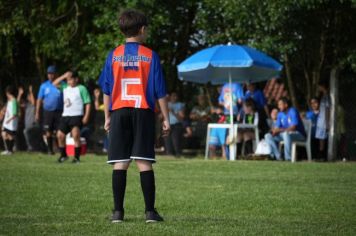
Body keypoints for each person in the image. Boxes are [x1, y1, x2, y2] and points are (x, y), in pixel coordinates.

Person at [98, 9, 170, 223]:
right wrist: (166, 118)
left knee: (120, 162)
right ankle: (150, 212)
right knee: (144, 162)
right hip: (143, 112)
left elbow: (106, 89)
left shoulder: (113, 55)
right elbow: (160, 91)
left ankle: (118, 213)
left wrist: (107, 117)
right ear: (142, 29)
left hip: (119, 111)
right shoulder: (150, 55)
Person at [52, 70, 91, 163]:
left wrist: (86, 116)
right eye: (68, 80)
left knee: (76, 135)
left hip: (76, 115)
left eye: (71, 79)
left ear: (76, 79)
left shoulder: (81, 88)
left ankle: (76, 158)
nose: (69, 81)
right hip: (65, 116)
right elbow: (54, 84)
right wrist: (64, 75)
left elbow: (88, 103)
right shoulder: (65, 87)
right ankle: (63, 155)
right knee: (60, 135)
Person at [36, 65, 63, 154]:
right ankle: (50, 150)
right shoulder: (44, 86)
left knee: (59, 131)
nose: (51, 75)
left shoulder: (62, 84)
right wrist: (37, 113)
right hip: (48, 112)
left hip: (59, 111)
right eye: (49, 74)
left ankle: (60, 149)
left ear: (56, 74)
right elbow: (39, 99)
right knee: (48, 131)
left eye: (52, 73)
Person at [164, 91, 185, 156]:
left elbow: (181, 117)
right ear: (170, 97)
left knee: (176, 141)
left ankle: (178, 154)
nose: (175, 97)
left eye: (176, 96)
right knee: (167, 141)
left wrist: (172, 112)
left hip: (177, 125)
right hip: (167, 124)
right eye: (173, 96)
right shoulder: (166, 104)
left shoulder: (180, 105)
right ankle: (169, 154)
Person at [17, 85, 37, 151]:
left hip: (33, 124)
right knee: (27, 134)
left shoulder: (35, 104)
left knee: (26, 132)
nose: (28, 97)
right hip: (27, 124)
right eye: (28, 96)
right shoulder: (27, 104)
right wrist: (20, 94)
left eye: (29, 96)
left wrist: (31, 92)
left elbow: (33, 102)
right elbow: (17, 104)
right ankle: (31, 148)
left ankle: (31, 148)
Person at [1, 86, 18, 155]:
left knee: (10, 136)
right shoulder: (9, 100)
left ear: (8, 93)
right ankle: (8, 150)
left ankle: (10, 151)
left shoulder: (14, 101)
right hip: (7, 121)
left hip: (11, 122)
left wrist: (9, 120)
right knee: (4, 134)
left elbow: (15, 114)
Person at [316, 81, 330, 160]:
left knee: (322, 139)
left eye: (319, 86)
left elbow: (328, 110)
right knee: (320, 139)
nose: (318, 88)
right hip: (321, 121)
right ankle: (321, 155)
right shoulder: (323, 97)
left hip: (324, 121)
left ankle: (322, 156)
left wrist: (327, 123)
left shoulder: (326, 97)